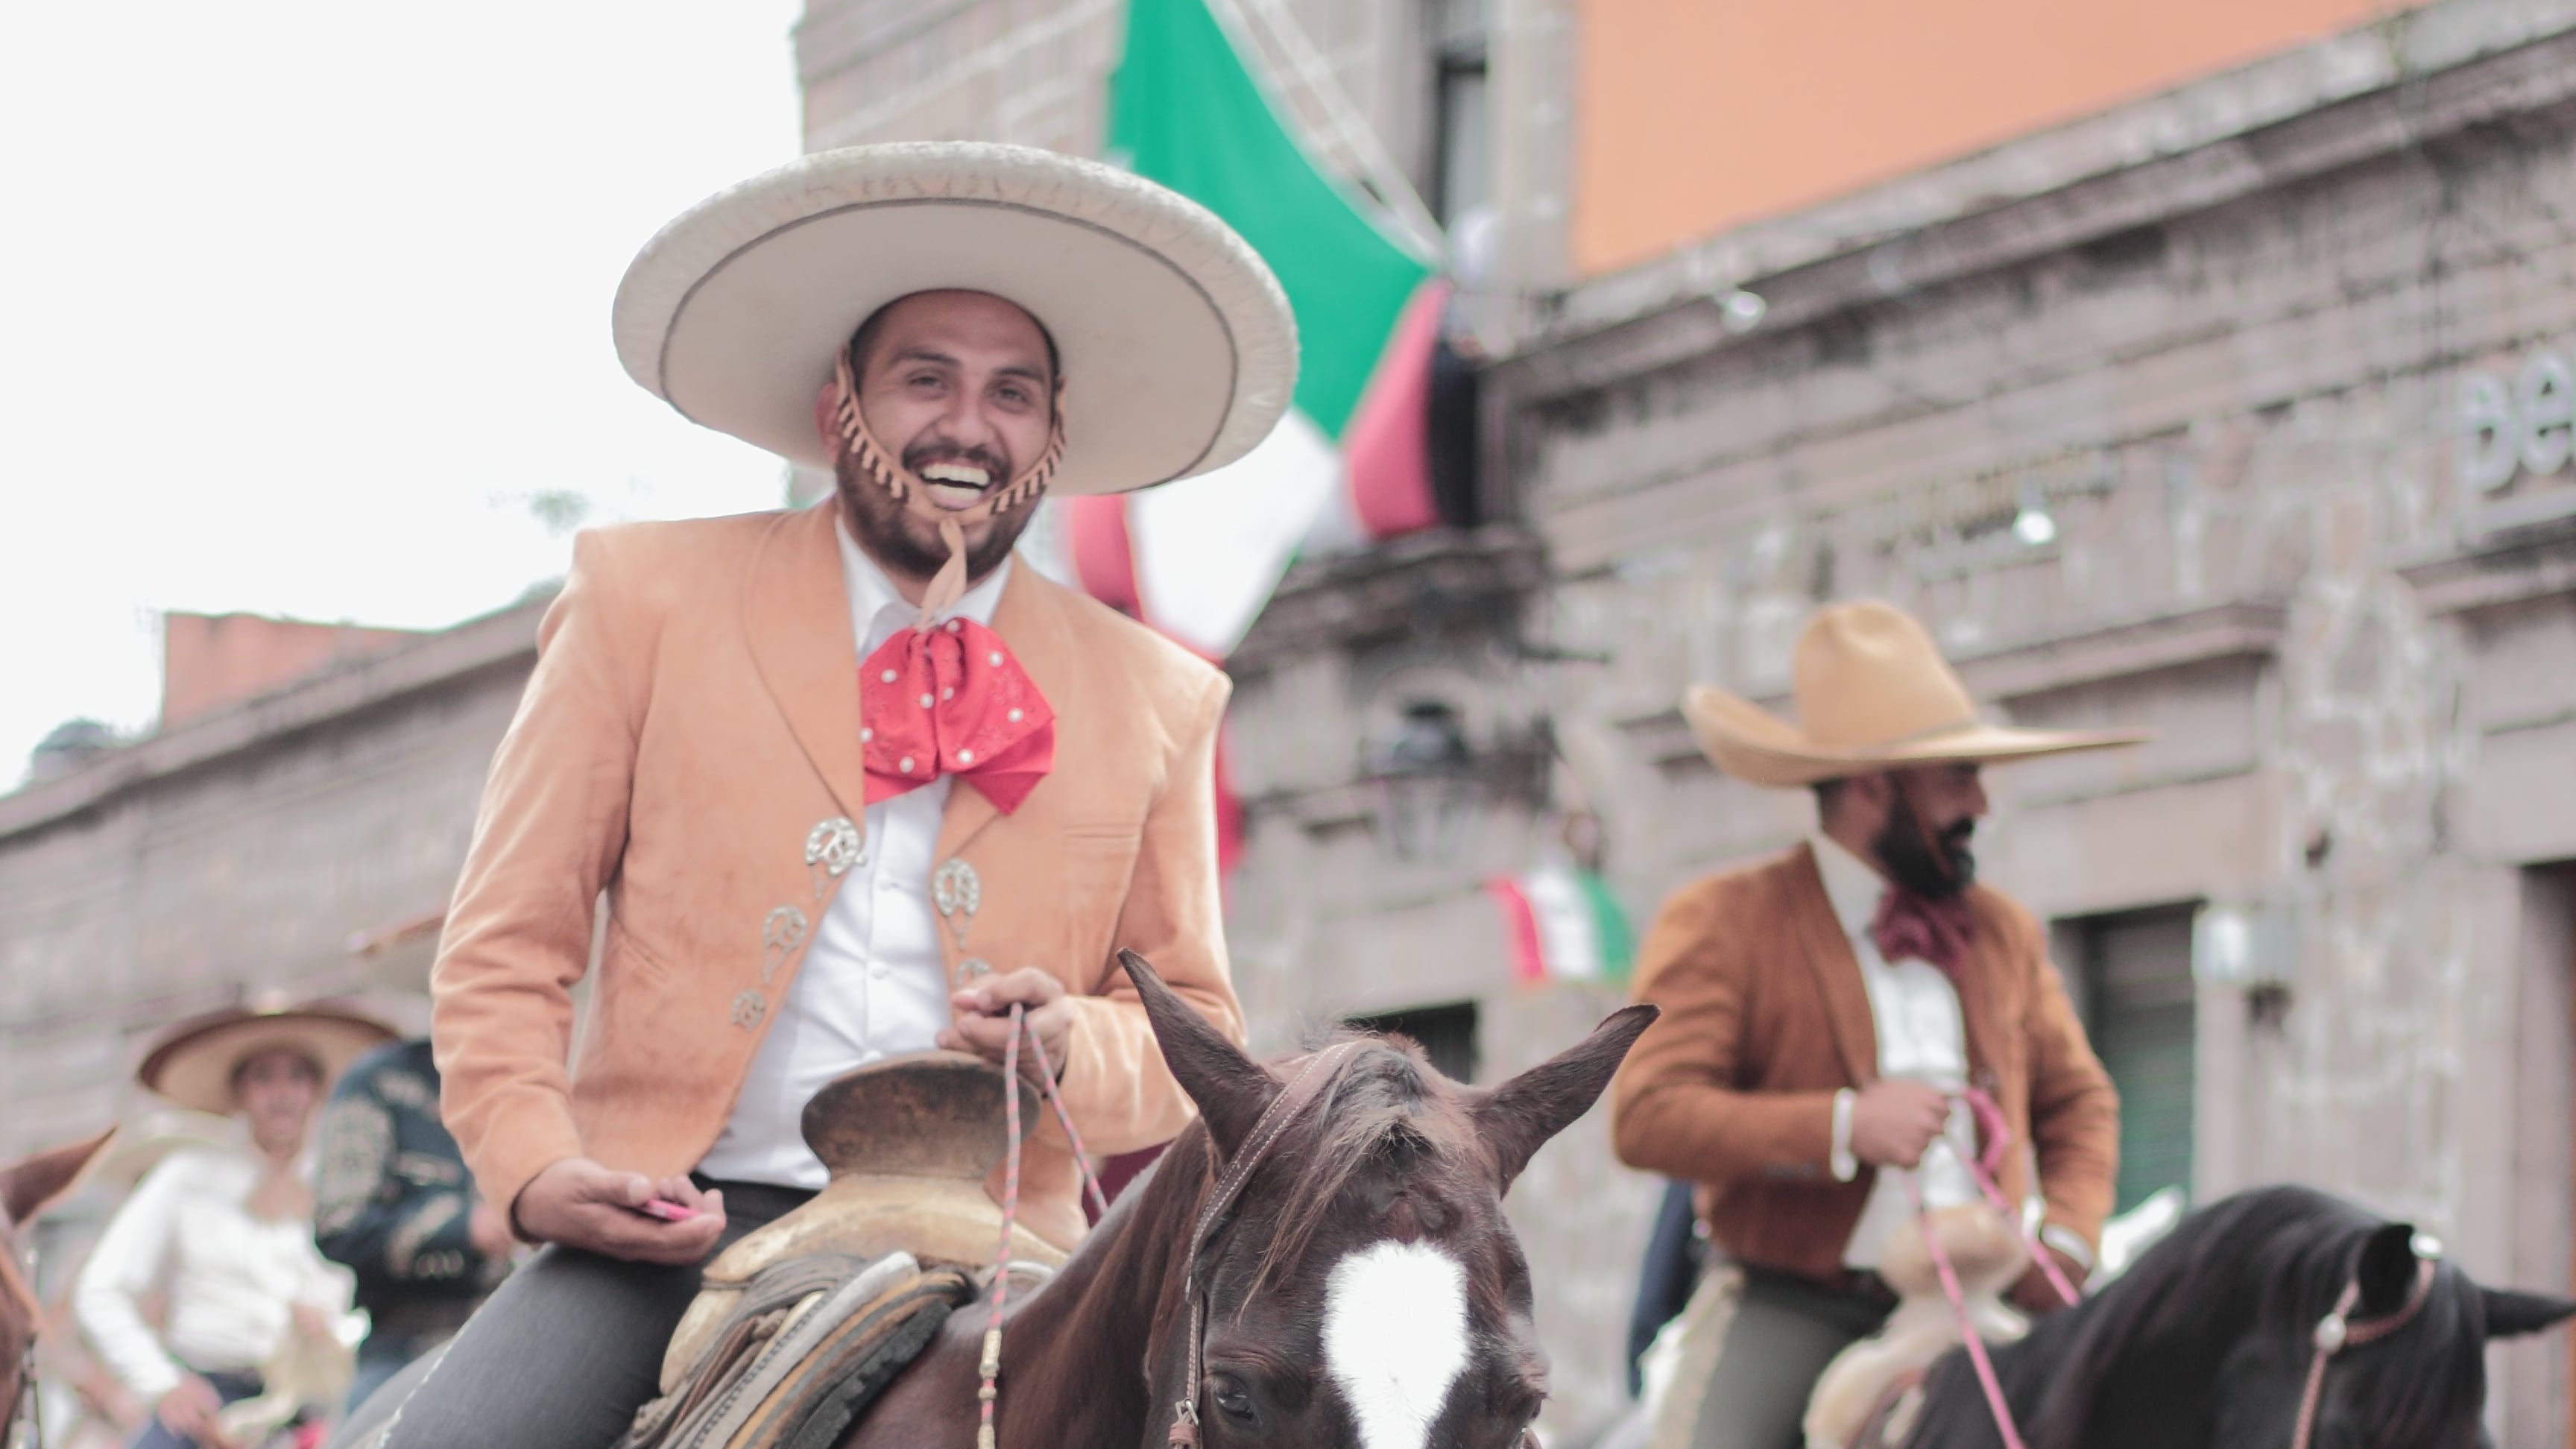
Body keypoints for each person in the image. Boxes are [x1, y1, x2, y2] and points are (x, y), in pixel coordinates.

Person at [341, 141, 1296, 1448]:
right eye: (927, 379)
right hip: (671, 1218)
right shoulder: (643, 600)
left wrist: (1073, 1040)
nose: (969, 423)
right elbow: (509, 942)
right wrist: (535, 1166)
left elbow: (1201, 1039)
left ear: (1052, 431)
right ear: (837, 401)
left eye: (1012, 391)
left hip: (1014, 1252)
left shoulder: (1159, 692)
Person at [1609, 600, 2135, 1449]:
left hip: (1989, 1298)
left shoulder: (2002, 930)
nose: (1980, 803)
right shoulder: (1724, 919)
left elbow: (2081, 1103)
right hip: (1798, 1298)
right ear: (1870, 786)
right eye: (1956, 776)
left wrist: (2068, 1240)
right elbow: (1649, 1115)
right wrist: (1846, 1124)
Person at [75, 1000, 394, 1448]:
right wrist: (163, 1383)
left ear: (319, 1089)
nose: (282, 1094)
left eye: (296, 1076)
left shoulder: (344, 1183)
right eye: (264, 1077)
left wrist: (336, 1333)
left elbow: (377, 1301)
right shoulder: (189, 1177)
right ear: (239, 1091)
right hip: (212, 1404)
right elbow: (100, 1289)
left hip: (323, 1403)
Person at [312, 1037, 513, 1412]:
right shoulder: (376, 1082)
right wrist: (466, 1228)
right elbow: (340, 1224)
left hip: (525, 1334)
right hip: (408, 1343)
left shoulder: (540, 1088)